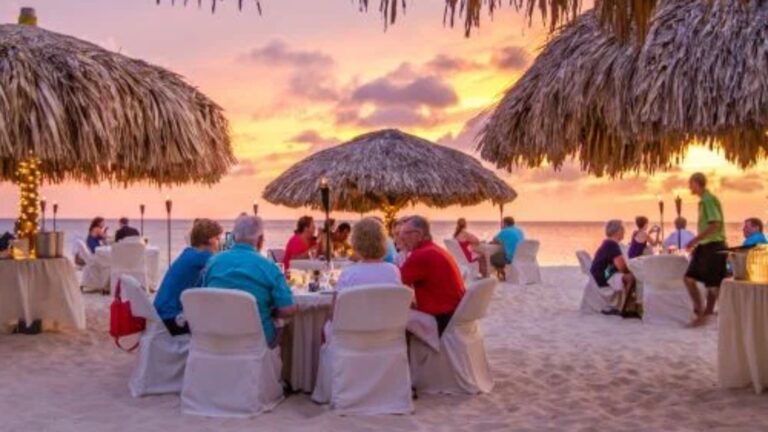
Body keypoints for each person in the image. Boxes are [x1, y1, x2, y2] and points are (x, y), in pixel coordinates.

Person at [203, 215, 296, 348]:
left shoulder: (213, 263)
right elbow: (288, 310)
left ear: (234, 237)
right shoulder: (269, 267)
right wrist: (273, 312)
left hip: (217, 340)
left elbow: (204, 297)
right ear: (260, 240)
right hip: (255, 344)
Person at [153, 219, 223, 335]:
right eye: (218, 239)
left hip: (162, 316)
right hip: (172, 320)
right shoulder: (203, 257)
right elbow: (224, 268)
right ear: (211, 240)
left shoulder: (189, 253)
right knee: (220, 324)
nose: (219, 243)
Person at [398, 215, 465, 335]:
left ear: (417, 235)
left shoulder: (422, 255)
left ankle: (406, 353)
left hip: (440, 319)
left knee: (394, 320)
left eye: (404, 234)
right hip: (453, 315)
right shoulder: (434, 249)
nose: (400, 238)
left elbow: (395, 282)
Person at [684, 172, 728, 327]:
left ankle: (702, 313)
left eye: (690, 184)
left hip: (713, 245)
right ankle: (705, 313)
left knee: (707, 283)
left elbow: (715, 224)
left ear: (696, 183)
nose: (689, 187)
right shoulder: (705, 200)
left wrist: (694, 240)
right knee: (709, 283)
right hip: (708, 245)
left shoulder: (708, 200)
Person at [590, 220, 638, 316]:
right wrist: (631, 272)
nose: (624, 232)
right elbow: (621, 267)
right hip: (604, 276)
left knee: (630, 275)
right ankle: (625, 309)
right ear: (618, 231)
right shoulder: (611, 245)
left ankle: (627, 306)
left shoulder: (608, 243)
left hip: (603, 273)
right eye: (623, 229)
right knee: (631, 278)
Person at [490, 217, 525, 281]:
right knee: (500, 256)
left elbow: (494, 241)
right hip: (522, 256)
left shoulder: (504, 231)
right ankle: (504, 274)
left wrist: (502, 230)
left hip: (511, 258)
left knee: (493, 258)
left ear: (505, 223)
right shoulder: (520, 231)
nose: (501, 224)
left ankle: (503, 275)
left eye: (502, 223)